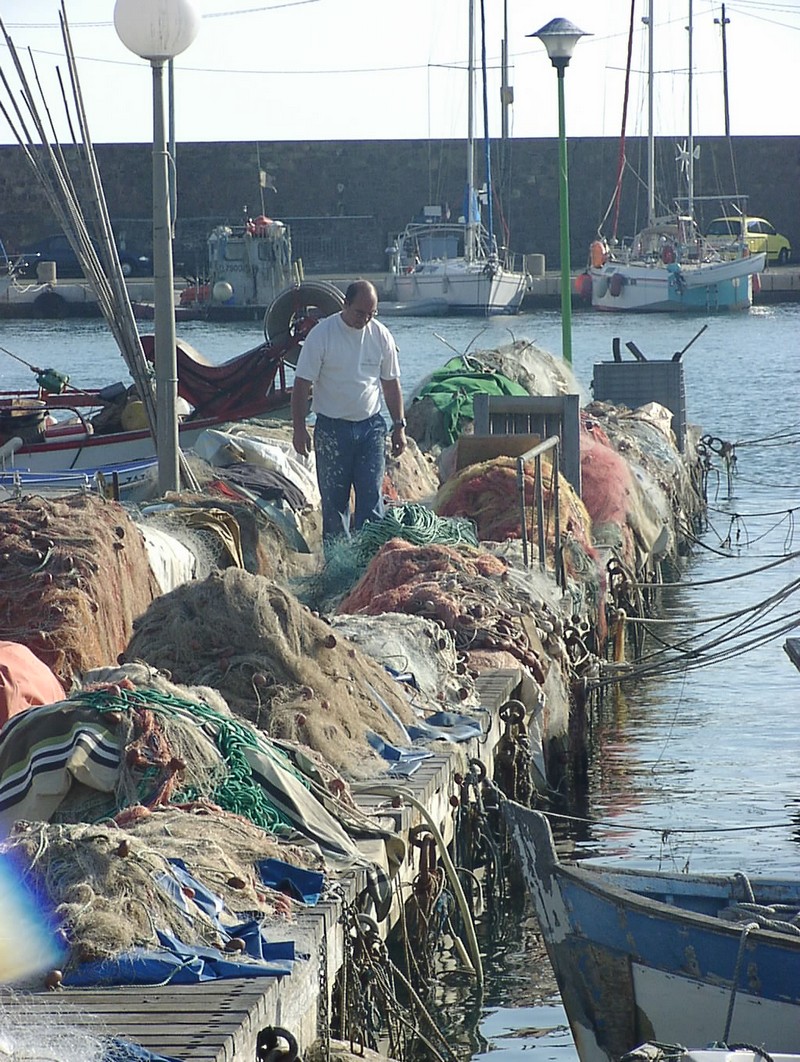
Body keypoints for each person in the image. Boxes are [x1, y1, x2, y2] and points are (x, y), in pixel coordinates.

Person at [291, 279, 407, 546]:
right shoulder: (322, 335)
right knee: (334, 503)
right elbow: (302, 384)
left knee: (371, 498)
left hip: (371, 429)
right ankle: (337, 566)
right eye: (360, 313)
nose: (365, 319)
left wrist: (399, 425)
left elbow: (390, 384)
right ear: (345, 305)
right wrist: (299, 428)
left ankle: (369, 562)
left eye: (372, 313)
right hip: (332, 428)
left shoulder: (381, 336)